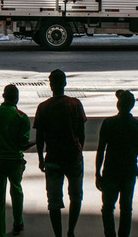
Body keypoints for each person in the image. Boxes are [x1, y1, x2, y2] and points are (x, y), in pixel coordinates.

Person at [34, 68, 87, 237]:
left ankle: (58, 234)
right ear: (65, 83)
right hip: (73, 156)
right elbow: (82, 133)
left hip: (53, 157)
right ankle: (71, 230)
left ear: (50, 85)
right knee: (76, 195)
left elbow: (40, 138)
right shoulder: (75, 104)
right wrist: (79, 149)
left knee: (54, 200)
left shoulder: (43, 107)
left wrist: (41, 158)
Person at [95, 90, 138, 237]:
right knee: (126, 208)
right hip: (129, 171)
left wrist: (97, 173)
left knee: (107, 208)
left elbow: (101, 151)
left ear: (118, 105)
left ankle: (110, 234)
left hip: (111, 170)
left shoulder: (108, 123)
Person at [0, 82, 31, 237]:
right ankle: (18, 223)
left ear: (3, 96)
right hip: (14, 161)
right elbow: (22, 144)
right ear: (16, 98)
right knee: (16, 191)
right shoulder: (21, 117)